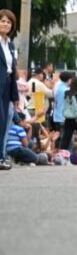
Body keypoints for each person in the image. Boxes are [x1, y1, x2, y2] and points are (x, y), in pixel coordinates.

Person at [0, 9, 22, 170]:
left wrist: (15, 97)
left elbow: (13, 71)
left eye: (8, 22)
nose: (5, 24)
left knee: (5, 122)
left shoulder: (11, 45)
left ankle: (1, 157)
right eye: (2, 20)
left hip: (8, 85)